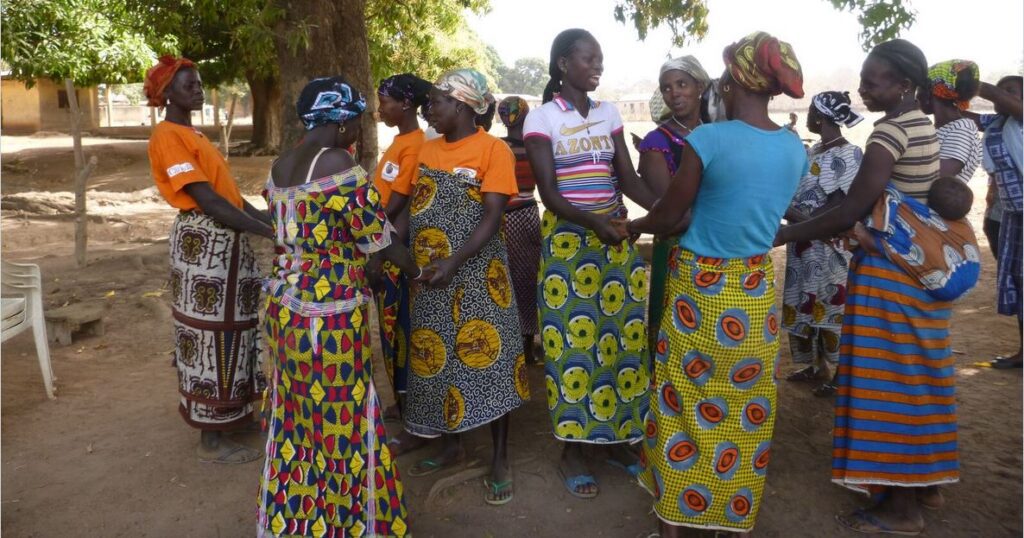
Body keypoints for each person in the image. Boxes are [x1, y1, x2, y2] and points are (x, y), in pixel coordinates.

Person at [624, 31, 807, 535]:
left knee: (681, 401)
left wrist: (635, 226)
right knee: (743, 409)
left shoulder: (706, 141)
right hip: (752, 294)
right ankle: (730, 513)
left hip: (700, 295)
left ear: (729, 82)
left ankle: (674, 521)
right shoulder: (794, 149)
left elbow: (669, 216)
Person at [775, 39, 959, 535]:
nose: (863, 89)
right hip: (920, 270)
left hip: (890, 275)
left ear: (903, 84)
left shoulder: (889, 133)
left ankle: (901, 509)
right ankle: (925, 483)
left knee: (889, 383)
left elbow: (854, 205)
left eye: (872, 81)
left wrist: (788, 232)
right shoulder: (923, 123)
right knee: (920, 376)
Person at [258, 76, 421, 537]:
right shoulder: (339, 164)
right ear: (342, 121)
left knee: (295, 414)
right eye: (358, 120)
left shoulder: (280, 165)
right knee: (341, 412)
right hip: (328, 313)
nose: (361, 131)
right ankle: (351, 524)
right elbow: (378, 239)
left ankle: (295, 520)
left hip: (284, 309)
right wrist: (418, 271)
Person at [524, 28, 657, 499]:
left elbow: (629, 179)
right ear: (563, 64)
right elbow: (550, 195)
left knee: (621, 340)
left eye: (600, 59)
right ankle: (573, 451)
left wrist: (668, 206)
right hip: (568, 245)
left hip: (615, 245)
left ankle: (618, 437)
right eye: (588, 59)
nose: (597, 66)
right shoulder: (541, 119)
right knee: (571, 347)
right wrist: (596, 221)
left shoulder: (609, 113)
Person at [402, 68, 526, 506]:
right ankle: (452, 446)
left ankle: (499, 459)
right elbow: (410, 207)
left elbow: (491, 217)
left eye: (435, 101)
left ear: (461, 105)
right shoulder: (426, 150)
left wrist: (454, 262)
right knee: (437, 359)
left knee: (486, 361)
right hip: (431, 277)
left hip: (477, 277)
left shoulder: (493, 150)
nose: (428, 109)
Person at [144, 55, 271, 464]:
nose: (198, 91)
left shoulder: (192, 134)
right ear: (167, 94)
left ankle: (233, 414)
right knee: (207, 336)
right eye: (189, 86)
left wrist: (270, 217)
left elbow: (229, 197)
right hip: (205, 248)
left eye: (198, 84)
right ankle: (211, 437)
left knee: (237, 328)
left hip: (226, 245)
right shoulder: (167, 136)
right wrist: (268, 230)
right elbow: (208, 201)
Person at [783, 91, 864, 397]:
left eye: (809, 113)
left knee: (830, 306)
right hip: (803, 242)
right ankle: (815, 367)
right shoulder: (815, 150)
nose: (806, 118)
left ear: (819, 117)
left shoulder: (849, 153)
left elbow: (840, 202)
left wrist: (803, 223)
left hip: (828, 244)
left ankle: (839, 373)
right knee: (802, 302)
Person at [370, 73, 432, 454]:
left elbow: (398, 203)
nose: (381, 108)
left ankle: (413, 416)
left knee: (402, 331)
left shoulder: (417, 144)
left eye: (386, 101)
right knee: (391, 332)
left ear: (406, 104)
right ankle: (402, 402)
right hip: (384, 244)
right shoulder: (400, 142)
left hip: (394, 249)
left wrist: (375, 247)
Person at [637, 56, 710, 357]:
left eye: (682, 84)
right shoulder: (658, 141)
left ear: (700, 87)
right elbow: (670, 213)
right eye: (667, 88)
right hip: (678, 252)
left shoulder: (718, 133)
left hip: (718, 251)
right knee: (676, 339)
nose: (675, 93)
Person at [972, 75, 1023, 368]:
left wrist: (973, 83)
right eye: (1001, 90)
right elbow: (963, 116)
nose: (1002, 96)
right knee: (1018, 279)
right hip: (1013, 213)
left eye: (1011, 91)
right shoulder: (998, 123)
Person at [498, 96, 542, 365]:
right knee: (528, 279)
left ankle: (513, 343)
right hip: (528, 214)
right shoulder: (534, 146)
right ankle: (527, 345)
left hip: (504, 218)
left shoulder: (499, 147)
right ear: (525, 116)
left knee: (509, 280)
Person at [918, 60, 984, 183]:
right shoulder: (943, 128)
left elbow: (935, 179)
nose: (916, 95)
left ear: (929, 93)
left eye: (919, 89)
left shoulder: (961, 130)